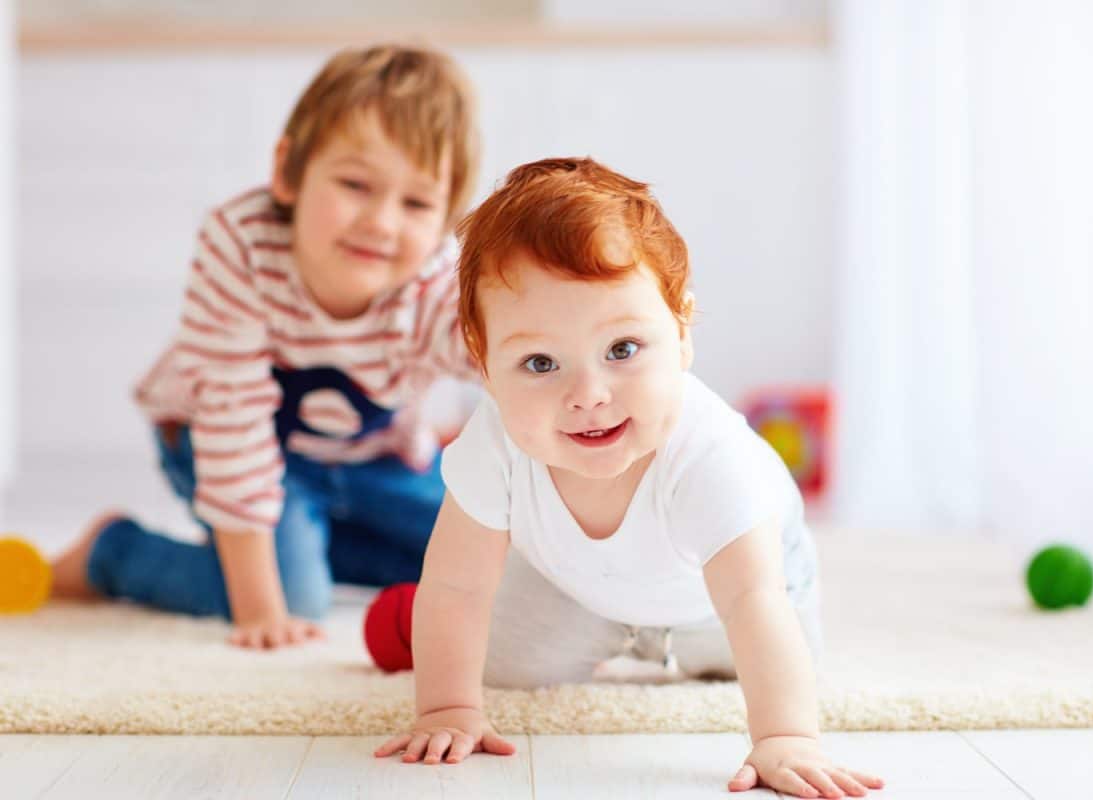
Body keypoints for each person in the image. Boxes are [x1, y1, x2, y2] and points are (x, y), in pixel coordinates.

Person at [374, 157, 885, 798]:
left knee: (778, 661)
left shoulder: (711, 457)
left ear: (681, 332)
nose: (588, 395)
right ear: (483, 365)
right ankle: (399, 618)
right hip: (579, 591)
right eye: (539, 362)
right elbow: (455, 585)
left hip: (722, 605)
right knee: (498, 663)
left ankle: (727, 671)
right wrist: (447, 708)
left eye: (622, 350)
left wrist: (786, 738)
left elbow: (753, 601)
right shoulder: (496, 440)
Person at [50, 44, 480, 651]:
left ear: (444, 221)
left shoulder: (436, 279)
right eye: (356, 184)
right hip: (227, 441)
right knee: (293, 597)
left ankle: (313, 537)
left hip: (368, 454)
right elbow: (233, 422)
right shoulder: (243, 248)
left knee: (476, 563)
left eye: (415, 203)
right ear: (290, 173)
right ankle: (112, 553)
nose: (383, 223)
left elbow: (498, 356)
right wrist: (259, 607)